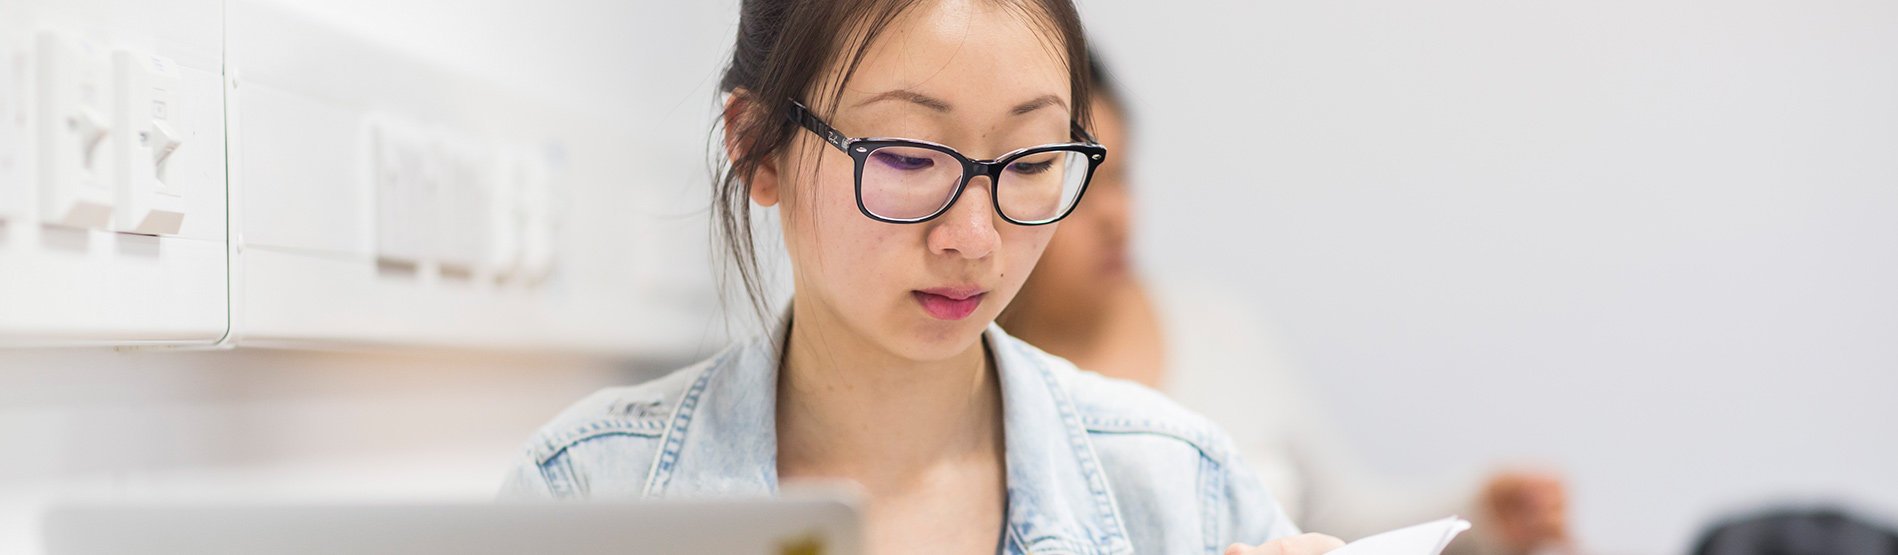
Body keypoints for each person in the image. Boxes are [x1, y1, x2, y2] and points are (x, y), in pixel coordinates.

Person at [501, 2, 1343, 555]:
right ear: (758, 144)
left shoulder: (1180, 491)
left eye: (1034, 159)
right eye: (906, 156)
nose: (975, 238)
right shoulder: (588, 494)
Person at [997, 55, 1573, 555]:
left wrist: (1475, 518)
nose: (1114, 218)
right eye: (1079, 185)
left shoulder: (1217, 327)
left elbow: (1334, 522)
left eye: (1120, 177)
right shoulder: (984, 391)